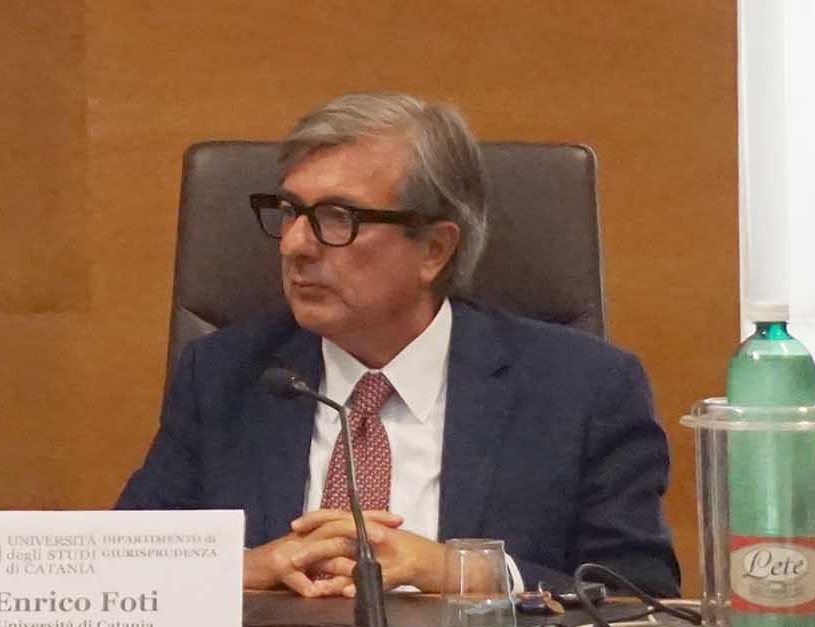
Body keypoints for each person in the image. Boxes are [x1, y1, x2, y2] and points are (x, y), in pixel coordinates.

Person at [117, 91, 678, 597]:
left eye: (338, 217)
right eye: (289, 212)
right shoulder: (225, 375)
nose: (294, 245)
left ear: (434, 249)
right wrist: (247, 567)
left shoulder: (582, 389)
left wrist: (463, 572)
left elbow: (642, 594)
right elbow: (123, 567)